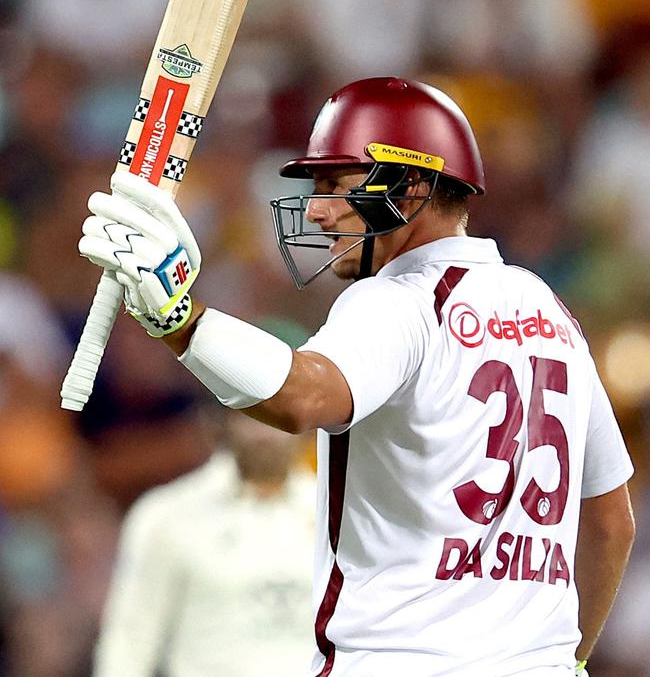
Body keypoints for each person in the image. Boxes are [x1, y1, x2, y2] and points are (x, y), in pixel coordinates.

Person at [77, 77, 635, 676]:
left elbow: (302, 397)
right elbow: (610, 523)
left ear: (413, 185)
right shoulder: (552, 312)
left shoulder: (399, 299)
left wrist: (179, 317)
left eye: (338, 184)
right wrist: (568, 660)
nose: (316, 210)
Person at [93, 407, 316, 677]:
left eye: (278, 419)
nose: (265, 434)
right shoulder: (167, 515)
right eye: (252, 417)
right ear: (221, 422)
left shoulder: (336, 513)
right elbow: (131, 639)